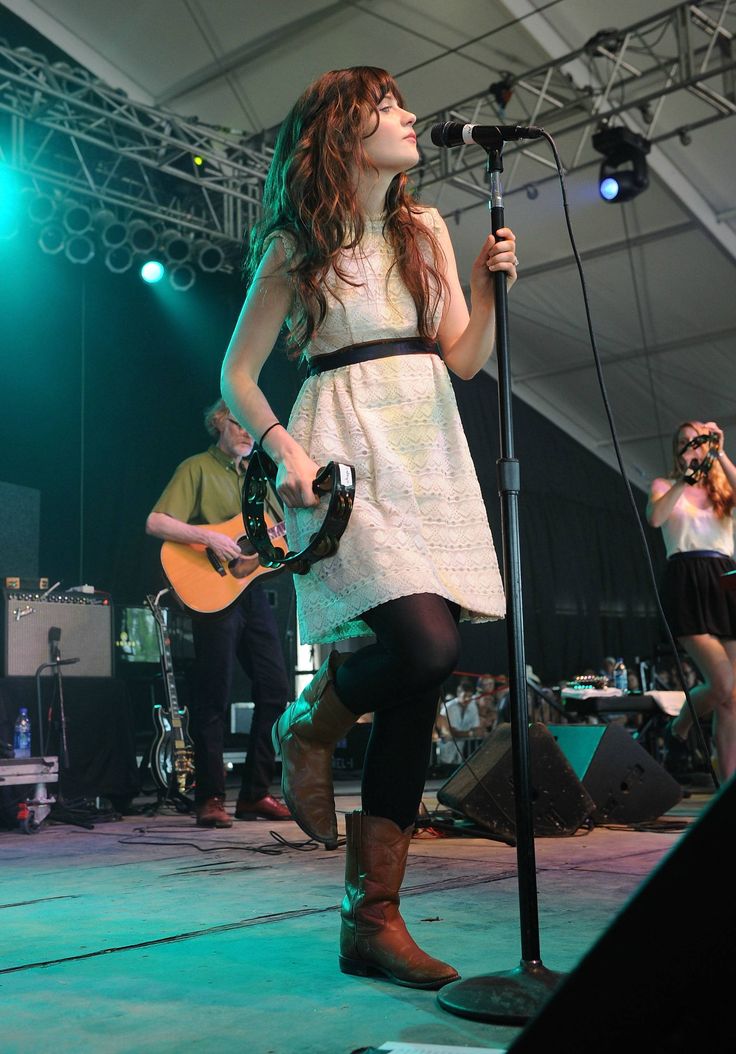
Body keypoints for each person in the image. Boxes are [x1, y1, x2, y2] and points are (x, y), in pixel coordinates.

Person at [221, 66, 516, 988]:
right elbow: (235, 373)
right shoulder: (295, 243)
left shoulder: (422, 227)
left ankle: (372, 921)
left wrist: (484, 285)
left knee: (426, 680)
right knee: (424, 650)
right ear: (343, 134)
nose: (411, 116)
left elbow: (464, 358)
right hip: (343, 454)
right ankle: (312, 721)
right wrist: (284, 452)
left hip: (427, 446)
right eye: (389, 108)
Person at [145, 400, 292, 828]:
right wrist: (207, 536)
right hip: (210, 590)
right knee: (214, 692)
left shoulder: (259, 478)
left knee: (275, 687)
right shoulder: (196, 468)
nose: (248, 432)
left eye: (252, 426)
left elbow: (277, 537)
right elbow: (156, 522)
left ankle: (255, 793)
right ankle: (208, 796)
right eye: (238, 423)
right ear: (218, 424)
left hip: (251, 592)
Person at [646, 420, 736, 780]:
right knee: (723, 684)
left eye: (696, 441)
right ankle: (680, 726)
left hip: (725, 580)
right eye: (682, 443)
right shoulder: (665, 485)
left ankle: (726, 793)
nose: (690, 447)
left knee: (732, 701)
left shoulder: (723, 490)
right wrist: (684, 479)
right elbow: (655, 518)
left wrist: (722, 451)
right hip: (686, 580)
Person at [435, 680, 484, 765]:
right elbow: (453, 732)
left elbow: (477, 728)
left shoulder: (473, 706)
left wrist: (473, 732)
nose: (467, 699)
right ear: (458, 694)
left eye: (470, 696)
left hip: (459, 753)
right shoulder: (449, 707)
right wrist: (471, 733)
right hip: (443, 752)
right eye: (465, 696)